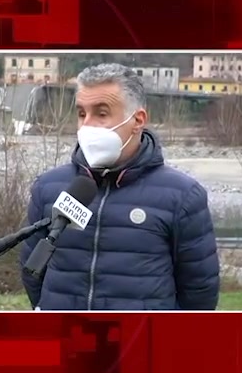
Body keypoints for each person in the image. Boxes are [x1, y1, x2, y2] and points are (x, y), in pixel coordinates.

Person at [20, 63, 220, 310]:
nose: (87, 126)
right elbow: (32, 269)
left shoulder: (183, 197)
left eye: (101, 114)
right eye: (82, 114)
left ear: (137, 120)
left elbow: (199, 293)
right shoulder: (49, 187)